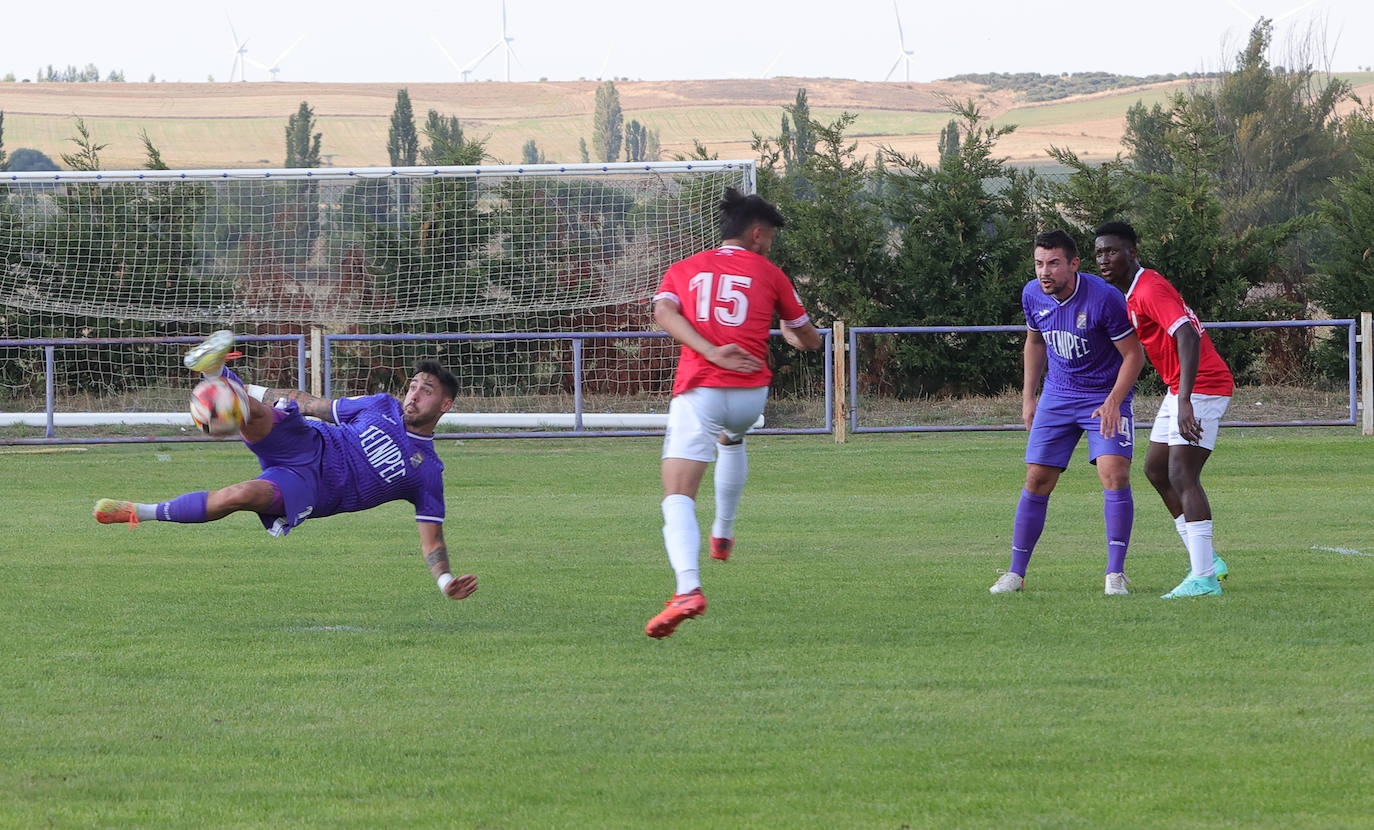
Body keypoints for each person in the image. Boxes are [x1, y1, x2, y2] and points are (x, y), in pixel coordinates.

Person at [93, 331, 478, 602]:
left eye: (426, 392)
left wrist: (445, 580)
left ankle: (137, 512)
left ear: (444, 406)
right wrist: (252, 392)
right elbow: (311, 404)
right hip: (307, 440)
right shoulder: (379, 405)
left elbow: (432, 541)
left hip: (310, 486)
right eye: (412, 386)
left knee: (240, 495)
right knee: (251, 412)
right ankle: (216, 375)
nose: (413, 395)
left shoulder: (427, 470)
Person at [644, 188, 821, 638]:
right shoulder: (771, 273)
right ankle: (722, 532)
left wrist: (709, 350)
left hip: (701, 388)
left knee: (678, 495)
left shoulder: (685, 268)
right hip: (750, 395)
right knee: (734, 437)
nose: (771, 245)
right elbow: (809, 341)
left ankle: (687, 588)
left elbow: (664, 311)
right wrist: (787, 325)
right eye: (771, 237)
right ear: (757, 233)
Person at [990, 230, 1145, 596]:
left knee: (1114, 473)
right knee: (1036, 480)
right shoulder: (1032, 294)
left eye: (1054, 263)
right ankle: (1015, 573)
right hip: (1057, 397)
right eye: (1039, 263)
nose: (1045, 272)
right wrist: (1029, 398)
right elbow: (1033, 343)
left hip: (1104, 397)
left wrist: (1113, 401)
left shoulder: (1105, 298)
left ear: (1074, 264)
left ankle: (1115, 574)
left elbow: (1134, 355)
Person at [1094, 221, 1234, 599]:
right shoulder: (1131, 292)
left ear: (1132, 254)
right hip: (1181, 388)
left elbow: (1187, 333)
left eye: (1112, 251)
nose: (1105, 259)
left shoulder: (1149, 288)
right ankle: (1207, 561)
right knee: (1157, 470)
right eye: (1100, 253)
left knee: (1182, 473)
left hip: (1202, 385)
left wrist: (1186, 398)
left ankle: (1203, 578)